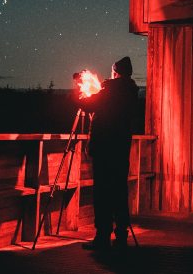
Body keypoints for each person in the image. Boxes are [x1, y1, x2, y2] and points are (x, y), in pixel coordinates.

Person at [79, 56, 139, 251]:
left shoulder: (111, 91)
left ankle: (102, 236)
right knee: (120, 192)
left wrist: (80, 94)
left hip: (105, 149)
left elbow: (88, 105)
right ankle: (121, 235)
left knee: (103, 193)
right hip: (121, 150)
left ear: (116, 72)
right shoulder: (130, 91)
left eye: (113, 71)